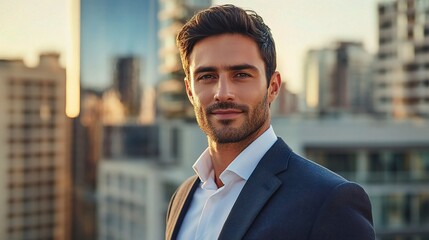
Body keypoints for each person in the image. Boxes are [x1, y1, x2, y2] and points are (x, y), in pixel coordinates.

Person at [166, 4, 375, 240]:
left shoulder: (329, 200)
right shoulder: (182, 197)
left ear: (273, 87)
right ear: (189, 90)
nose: (223, 93)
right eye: (207, 76)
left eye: (241, 75)